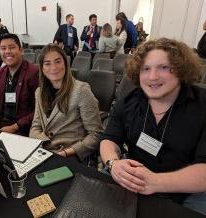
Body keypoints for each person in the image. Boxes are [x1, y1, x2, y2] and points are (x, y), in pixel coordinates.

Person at [100, 38, 206, 215]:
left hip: (189, 192)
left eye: (164, 67)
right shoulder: (129, 101)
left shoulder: (203, 105)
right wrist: (113, 164)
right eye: (146, 69)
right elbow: (109, 139)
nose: (152, 77)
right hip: (136, 183)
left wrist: (155, 182)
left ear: (180, 69)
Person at [30, 44, 103, 162]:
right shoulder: (39, 92)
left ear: (65, 63)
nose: (53, 67)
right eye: (47, 63)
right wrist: (44, 144)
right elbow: (35, 126)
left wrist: (65, 153)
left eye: (58, 61)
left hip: (70, 154)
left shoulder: (81, 90)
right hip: (44, 151)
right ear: (42, 69)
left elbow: (96, 134)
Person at [0, 33, 38, 136]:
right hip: (0, 126)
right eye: (3, 48)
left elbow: (39, 108)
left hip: (23, 128)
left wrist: (15, 127)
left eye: (11, 47)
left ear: (21, 50)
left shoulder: (33, 73)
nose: (7, 52)